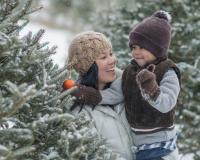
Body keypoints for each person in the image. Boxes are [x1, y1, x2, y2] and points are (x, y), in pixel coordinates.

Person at [75, 11, 181, 160]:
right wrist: (92, 95)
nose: (136, 52)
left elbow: (166, 103)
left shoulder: (167, 71)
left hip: (159, 145)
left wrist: (152, 89)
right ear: (88, 66)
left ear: (156, 48)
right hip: (141, 147)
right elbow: (116, 94)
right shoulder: (129, 73)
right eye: (133, 47)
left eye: (142, 47)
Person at [66, 31, 134, 160]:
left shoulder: (128, 90)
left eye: (111, 54)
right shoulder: (80, 111)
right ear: (88, 67)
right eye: (103, 57)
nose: (113, 60)